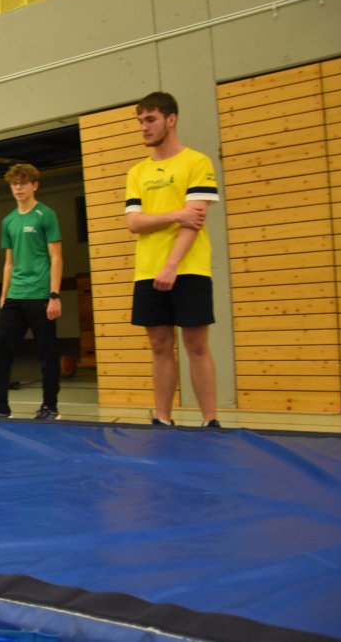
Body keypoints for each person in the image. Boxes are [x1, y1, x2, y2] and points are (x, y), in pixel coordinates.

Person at [125, 91, 220, 428]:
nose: (144, 127)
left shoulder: (197, 162)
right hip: (147, 270)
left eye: (150, 119)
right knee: (160, 345)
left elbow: (195, 221)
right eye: (140, 121)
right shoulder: (137, 172)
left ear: (171, 119)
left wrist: (172, 265)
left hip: (189, 268)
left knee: (196, 344)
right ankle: (163, 418)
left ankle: (210, 420)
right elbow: (134, 223)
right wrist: (176, 214)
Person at [0, 163, 63, 419]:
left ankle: (49, 406)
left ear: (34, 185)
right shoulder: (8, 221)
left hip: (41, 295)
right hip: (15, 296)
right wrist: (4, 295)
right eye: (14, 184)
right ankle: (0, 406)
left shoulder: (46, 215)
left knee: (47, 352)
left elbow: (56, 258)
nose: (18, 188)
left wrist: (54, 295)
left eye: (23, 183)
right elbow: (9, 262)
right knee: (1, 349)